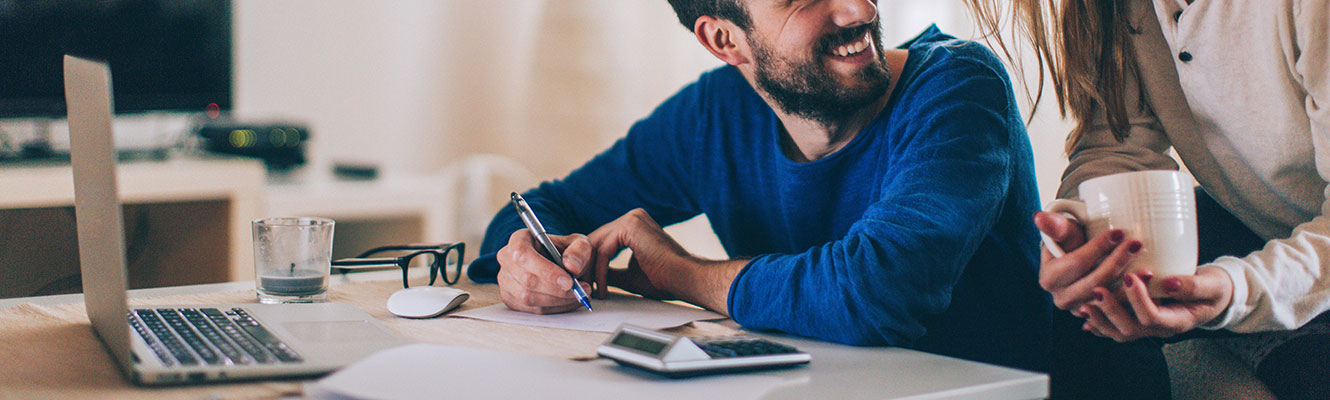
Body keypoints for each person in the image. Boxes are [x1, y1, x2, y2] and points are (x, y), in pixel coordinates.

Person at [467, 0, 1051, 371]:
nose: (858, 9)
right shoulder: (714, 115)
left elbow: (878, 291)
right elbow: (541, 210)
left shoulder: (957, 86)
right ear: (725, 40)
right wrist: (526, 260)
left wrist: (681, 274)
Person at [963, 0, 1330, 398]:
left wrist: (1237, 288)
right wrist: (1085, 234)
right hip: (1256, 224)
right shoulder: (1117, 10)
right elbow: (1117, 146)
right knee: (1088, 306)